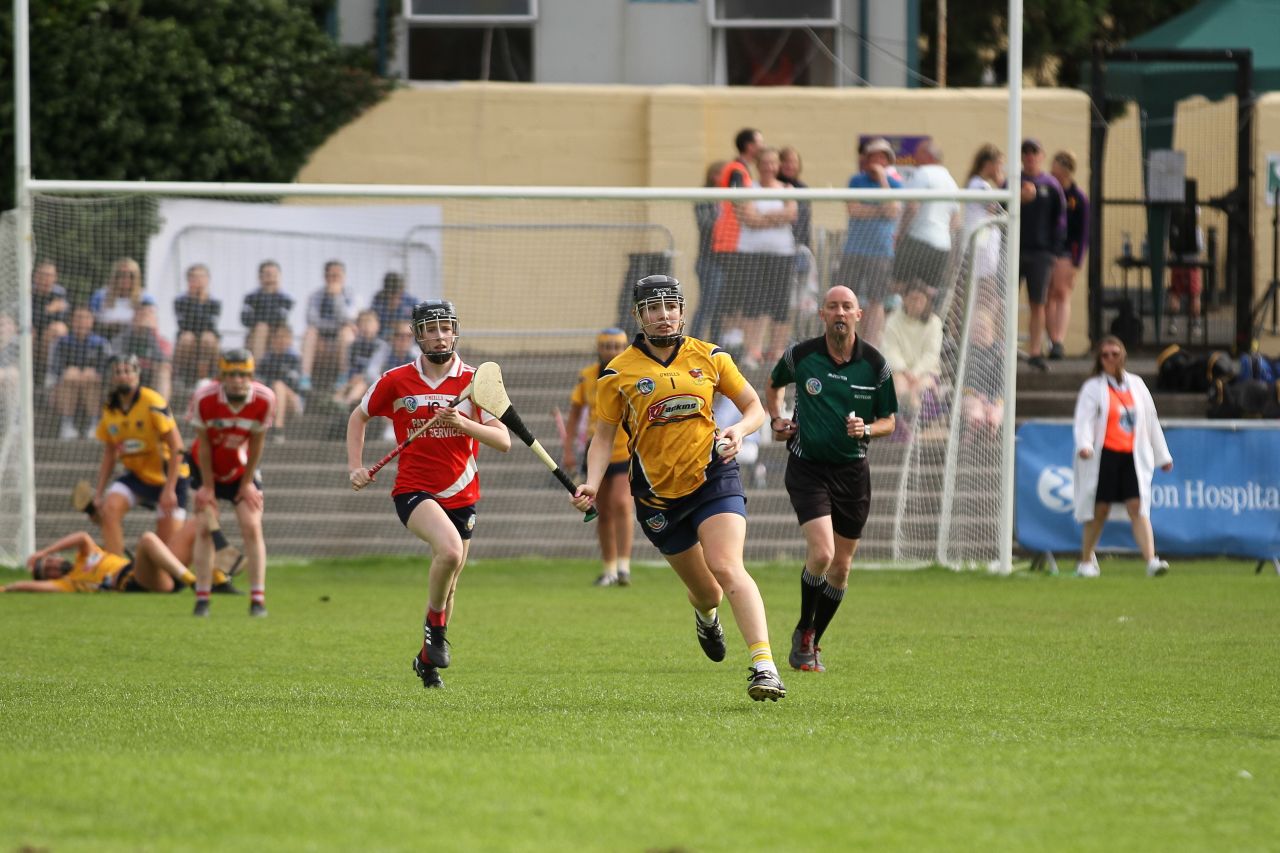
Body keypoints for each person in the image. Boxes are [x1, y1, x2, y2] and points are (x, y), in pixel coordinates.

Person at [570, 275, 787, 702]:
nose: (664, 315)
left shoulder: (709, 356)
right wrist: (592, 483)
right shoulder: (617, 373)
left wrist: (740, 431)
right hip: (656, 497)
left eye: (671, 306)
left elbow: (754, 408)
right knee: (708, 592)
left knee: (727, 567)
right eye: (653, 308)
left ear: (683, 311)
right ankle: (707, 618)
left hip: (713, 476)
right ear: (639, 316)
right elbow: (602, 437)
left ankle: (764, 667)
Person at [347, 300, 511, 690]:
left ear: (455, 331)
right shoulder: (396, 379)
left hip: (463, 493)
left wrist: (464, 423)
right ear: (417, 334)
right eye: (430, 329)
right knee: (450, 552)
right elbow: (359, 416)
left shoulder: (475, 382)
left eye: (445, 328)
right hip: (414, 490)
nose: (439, 336)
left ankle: (426, 660)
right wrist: (356, 465)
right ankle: (435, 631)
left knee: (449, 581)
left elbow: (503, 440)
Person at [765, 285, 898, 674]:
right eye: (832, 306)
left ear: (859, 314)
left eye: (847, 306)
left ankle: (810, 637)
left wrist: (868, 429)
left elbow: (890, 420)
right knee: (822, 554)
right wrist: (777, 418)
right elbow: (773, 386)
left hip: (853, 472)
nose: (840, 312)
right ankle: (805, 631)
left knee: (841, 568)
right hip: (807, 467)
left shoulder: (875, 364)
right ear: (822, 314)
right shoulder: (802, 355)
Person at [1072, 336, 1173, 579]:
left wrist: (1163, 455)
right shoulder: (1093, 387)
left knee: (1138, 507)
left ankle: (1151, 560)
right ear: (1099, 359)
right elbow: (1083, 420)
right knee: (1100, 509)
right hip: (1104, 455)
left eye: (1114, 354)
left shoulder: (1137, 385)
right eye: (1105, 355)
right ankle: (1086, 560)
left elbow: (1150, 420)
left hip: (1132, 456)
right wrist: (1085, 445)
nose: (1110, 359)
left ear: (1123, 356)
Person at [188, 348, 276, 616]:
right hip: (208, 470)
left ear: (251, 375)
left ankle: (257, 599)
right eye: (232, 374)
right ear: (221, 376)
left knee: (252, 526)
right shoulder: (204, 399)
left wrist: (247, 483)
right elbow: (202, 446)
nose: (238, 380)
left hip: (242, 470)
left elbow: (257, 444)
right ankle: (203, 598)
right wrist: (207, 487)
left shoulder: (265, 399)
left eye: (243, 374)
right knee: (204, 528)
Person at [92, 352, 190, 557]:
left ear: (137, 375)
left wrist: (170, 489)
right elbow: (110, 453)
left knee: (167, 551)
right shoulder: (109, 410)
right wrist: (99, 493)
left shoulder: (153, 401)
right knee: (109, 509)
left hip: (169, 477)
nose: (123, 376)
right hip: (138, 476)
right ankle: (117, 571)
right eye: (118, 372)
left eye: (128, 371)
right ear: (112, 377)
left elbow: (177, 447)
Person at [564, 328, 635, 587]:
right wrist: (569, 450)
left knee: (621, 503)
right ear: (599, 348)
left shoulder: (631, 373)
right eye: (607, 346)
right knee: (602, 511)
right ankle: (610, 569)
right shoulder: (587, 377)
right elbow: (574, 415)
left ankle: (624, 567)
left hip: (625, 450)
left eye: (617, 347)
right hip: (597, 453)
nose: (612, 352)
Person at [835, 138, 903, 348]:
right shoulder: (856, 181)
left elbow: (892, 211)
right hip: (854, 249)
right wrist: (880, 210)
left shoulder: (894, 184)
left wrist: (883, 181)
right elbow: (854, 210)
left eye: (883, 157)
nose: (878, 160)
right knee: (846, 297)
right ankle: (844, 339)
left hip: (880, 252)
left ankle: (871, 344)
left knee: (876, 300)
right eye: (874, 156)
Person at [735, 146, 797, 368]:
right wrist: (776, 217)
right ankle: (753, 350)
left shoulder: (787, 188)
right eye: (765, 163)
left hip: (782, 254)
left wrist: (765, 216)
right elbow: (749, 218)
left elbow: (791, 213)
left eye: (774, 163)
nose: (770, 167)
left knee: (780, 303)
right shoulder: (749, 188)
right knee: (753, 302)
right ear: (758, 165)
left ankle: (777, 351)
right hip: (752, 254)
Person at [2, 530, 196, 594]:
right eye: (48, 571)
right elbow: (27, 585)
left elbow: (82, 536)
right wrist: (7, 588)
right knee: (147, 539)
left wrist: (44, 551)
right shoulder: (68, 582)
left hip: (158, 572)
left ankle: (216, 579)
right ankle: (194, 582)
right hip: (133, 580)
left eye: (50, 561)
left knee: (196, 524)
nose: (53, 566)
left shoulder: (85, 555)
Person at [711, 128, 764, 351]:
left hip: (734, 241)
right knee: (732, 295)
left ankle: (733, 341)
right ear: (750, 146)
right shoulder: (737, 170)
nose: (762, 147)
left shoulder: (742, 170)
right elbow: (736, 199)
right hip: (730, 241)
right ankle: (728, 343)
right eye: (760, 143)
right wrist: (755, 219)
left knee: (736, 294)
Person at [1018, 139, 1067, 370]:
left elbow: (1061, 218)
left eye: (1033, 152)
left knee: (1038, 303)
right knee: (1004, 302)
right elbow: (999, 209)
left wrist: (1054, 251)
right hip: (1015, 250)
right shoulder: (1013, 182)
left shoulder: (1051, 184)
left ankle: (1035, 351)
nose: (1029, 156)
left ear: (1041, 155)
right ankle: (1002, 350)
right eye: (1025, 152)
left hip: (1041, 253)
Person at [894, 139, 959, 296]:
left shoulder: (923, 173)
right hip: (942, 245)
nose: (915, 158)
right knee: (928, 292)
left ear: (927, 156)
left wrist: (900, 233)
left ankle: (900, 319)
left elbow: (912, 206)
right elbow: (955, 220)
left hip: (918, 239)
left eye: (917, 154)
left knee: (897, 286)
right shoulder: (950, 181)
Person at [880, 279, 942, 438]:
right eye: (913, 299)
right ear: (905, 299)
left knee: (918, 391)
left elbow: (931, 354)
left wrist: (915, 372)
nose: (916, 303)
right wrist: (904, 370)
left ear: (927, 301)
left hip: (925, 372)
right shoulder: (893, 320)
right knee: (899, 388)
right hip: (899, 372)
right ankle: (901, 430)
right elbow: (889, 350)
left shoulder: (934, 322)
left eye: (921, 299)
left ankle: (914, 429)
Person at [1046, 150, 1089, 360]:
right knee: (1048, 294)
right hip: (1047, 248)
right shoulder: (1048, 191)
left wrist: (1077, 261)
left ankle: (1058, 341)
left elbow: (1083, 232)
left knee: (1062, 292)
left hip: (1065, 251)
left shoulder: (1078, 197)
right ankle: (1051, 337)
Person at [48, 306, 112, 439]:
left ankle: (95, 424)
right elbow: (54, 368)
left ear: (92, 321)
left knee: (91, 380)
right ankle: (67, 425)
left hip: (93, 390)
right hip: (65, 391)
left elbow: (108, 369)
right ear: (71, 320)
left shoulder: (102, 344)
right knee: (69, 379)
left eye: (86, 318)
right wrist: (67, 373)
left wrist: (96, 373)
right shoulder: (61, 342)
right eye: (78, 317)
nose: (82, 321)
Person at [300, 260, 356, 392]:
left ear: (344, 277)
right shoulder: (315, 295)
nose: (333, 280)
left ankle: (343, 377)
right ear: (325, 277)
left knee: (346, 332)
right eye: (331, 276)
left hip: (340, 343)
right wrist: (337, 324)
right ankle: (305, 377)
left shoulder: (352, 296)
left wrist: (336, 297)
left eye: (337, 276)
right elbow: (312, 320)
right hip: (320, 342)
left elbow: (349, 318)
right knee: (310, 332)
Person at [962, 144, 1006, 297]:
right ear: (989, 164)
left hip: (984, 245)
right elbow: (997, 209)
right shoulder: (979, 185)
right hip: (983, 246)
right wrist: (1001, 182)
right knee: (986, 290)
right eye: (999, 164)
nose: (1002, 169)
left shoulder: (980, 184)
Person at [690, 160, 726, 341]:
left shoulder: (729, 198)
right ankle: (692, 341)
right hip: (708, 261)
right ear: (715, 175)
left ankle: (716, 345)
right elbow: (705, 224)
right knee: (707, 305)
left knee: (721, 307)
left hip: (727, 261)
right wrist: (723, 217)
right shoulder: (705, 198)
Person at [111, 302, 173, 401]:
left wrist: (149, 334)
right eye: (140, 315)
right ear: (133, 319)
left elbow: (162, 360)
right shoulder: (123, 338)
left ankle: (161, 408)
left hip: (151, 376)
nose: (143, 319)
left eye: (147, 315)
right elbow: (116, 357)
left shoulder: (162, 342)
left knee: (164, 368)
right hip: (128, 375)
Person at [173, 263, 222, 385]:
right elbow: (184, 324)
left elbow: (210, 325)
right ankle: (181, 376)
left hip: (207, 336)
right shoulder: (180, 300)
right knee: (187, 338)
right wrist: (196, 301)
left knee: (208, 339)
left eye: (201, 277)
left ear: (208, 280)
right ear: (188, 281)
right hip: (187, 335)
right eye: (194, 278)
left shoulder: (215, 302)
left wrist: (201, 301)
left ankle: (204, 377)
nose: (198, 281)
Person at [257, 325, 305, 442]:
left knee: (279, 385)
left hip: (293, 402)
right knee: (274, 387)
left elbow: (294, 385)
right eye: (278, 337)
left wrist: (274, 382)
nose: (281, 340)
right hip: (271, 400)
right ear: (273, 339)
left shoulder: (294, 358)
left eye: (285, 337)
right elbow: (258, 382)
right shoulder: (266, 359)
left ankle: (278, 428)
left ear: (290, 340)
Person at [332, 309, 389, 409]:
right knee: (342, 388)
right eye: (362, 322)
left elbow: (372, 372)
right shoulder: (353, 345)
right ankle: (336, 404)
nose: (366, 326)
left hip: (375, 382)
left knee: (362, 383)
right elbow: (348, 368)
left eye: (370, 322)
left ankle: (346, 404)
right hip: (352, 381)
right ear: (358, 326)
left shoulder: (381, 346)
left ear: (377, 326)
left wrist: (360, 377)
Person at [89, 257, 155, 341]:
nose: (126, 279)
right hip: (105, 338)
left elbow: (151, 325)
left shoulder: (145, 298)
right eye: (122, 274)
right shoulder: (100, 296)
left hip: (134, 340)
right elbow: (90, 321)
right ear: (115, 276)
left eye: (131, 275)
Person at [241, 260, 294, 360]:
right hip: (256, 333)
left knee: (269, 329)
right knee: (261, 328)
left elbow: (281, 318)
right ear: (260, 277)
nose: (271, 279)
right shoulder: (250, 297)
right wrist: (266, 317)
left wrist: (260, 314)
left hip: (278, 333)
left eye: (274, 275)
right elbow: (245, 319)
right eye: (267, 275)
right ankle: (256, 369)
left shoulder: (286, 299)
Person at [31, 260, 69, 376]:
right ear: (36, 277)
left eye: (50, 276)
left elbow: (63, 317)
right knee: (29, 333)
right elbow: (26, 316)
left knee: (57, 329)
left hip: (49, 329)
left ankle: (46, 373)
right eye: (43, 275)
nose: (46, 279)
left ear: (55, 278)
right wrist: (48, 310)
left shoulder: (60, 292)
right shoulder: (28, 291)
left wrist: (42, 312)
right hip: (32, 328)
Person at [370, 272, 419, 341]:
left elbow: (419, 323)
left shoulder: (411, 301)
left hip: (407, 336)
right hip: (383, 338)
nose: (395, 299)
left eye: (398, 294)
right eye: (391, 295)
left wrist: (401, 325)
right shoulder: (378, 301)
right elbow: (373, 322)